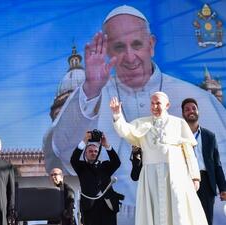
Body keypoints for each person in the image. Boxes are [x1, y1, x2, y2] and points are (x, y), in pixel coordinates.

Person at [42, 4, 226, 222]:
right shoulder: (91, 93)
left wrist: (195, 177)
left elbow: (195, 154)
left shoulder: (199, 99)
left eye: (137, 44)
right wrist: (94, 92)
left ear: (151, 45)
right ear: (108, 50)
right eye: (119, 47)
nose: (130, 57)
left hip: (179, 190)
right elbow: (62, 150)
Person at [109, 91, 208, 225]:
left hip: (176, 175)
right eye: (152, 103)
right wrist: (117, 115)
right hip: (151, 176)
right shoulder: (142, 123)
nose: (154, 106)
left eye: (158, 103)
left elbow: (189, 153)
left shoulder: (179, 123)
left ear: (167, 105)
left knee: (178, 209)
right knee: (153, 211)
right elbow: (124, 130)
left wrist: (195, 177)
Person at [181, 98, 226, 225]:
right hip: (184, 181)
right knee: (186, 219)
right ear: (183, 113)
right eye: (187, 109)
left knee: (206, 220)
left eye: (194, 108)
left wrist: (223, 188)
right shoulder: (178, 136)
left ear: (198, 111)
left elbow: (217, 164)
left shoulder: (209, 136)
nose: (191, 111)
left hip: (206, 182)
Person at [70, 131, 123, 225]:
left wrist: (106, 145)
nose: (93, 153)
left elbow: (116, 162)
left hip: (108, 205)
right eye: (90, 151)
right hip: (89, 207)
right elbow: (73, 159)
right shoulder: (81, 167)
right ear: (85, 153)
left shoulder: (105, 166)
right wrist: (84, 141)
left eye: (95, 151)